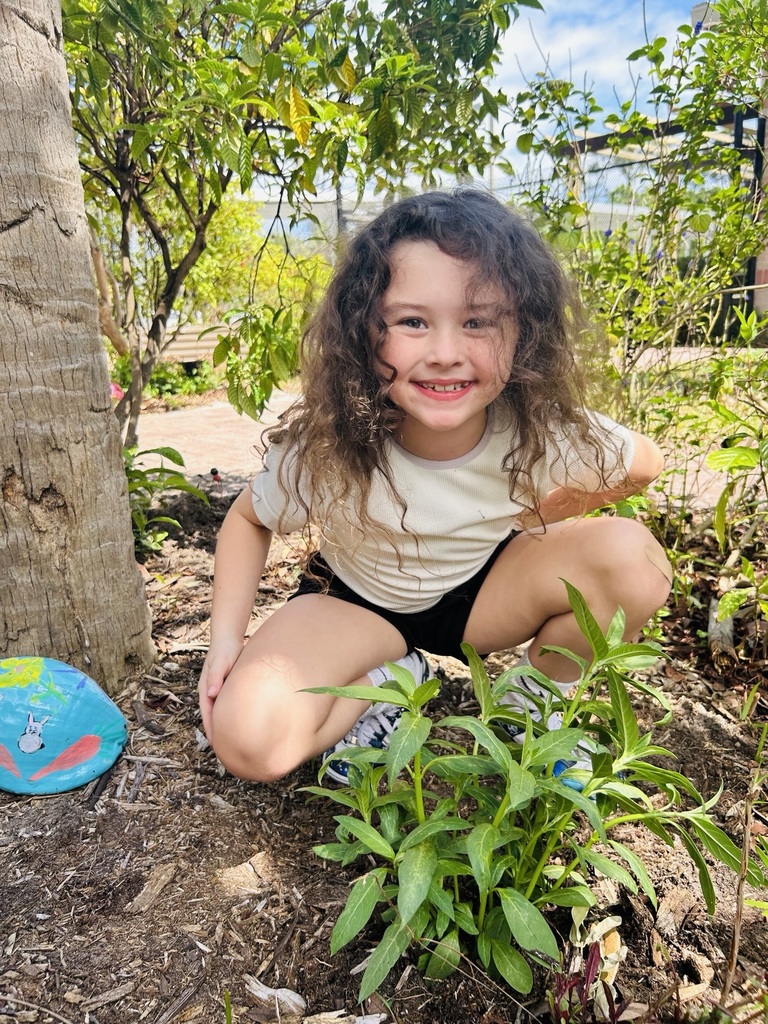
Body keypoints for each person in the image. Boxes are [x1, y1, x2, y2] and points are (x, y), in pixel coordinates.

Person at [199, 189, 672, 788]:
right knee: (248, 741)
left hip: (482, 596)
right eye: (412, 321)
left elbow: (643, 463)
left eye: (478, 321)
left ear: (524, 332)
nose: (446, 354)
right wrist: (225, 643)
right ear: (365, 333)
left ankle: (534, 704)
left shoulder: (534, 428)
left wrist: (537, 516)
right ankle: (388, 681)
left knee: (638, 563)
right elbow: (249, 520)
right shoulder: (333, 441)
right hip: (356, 602)